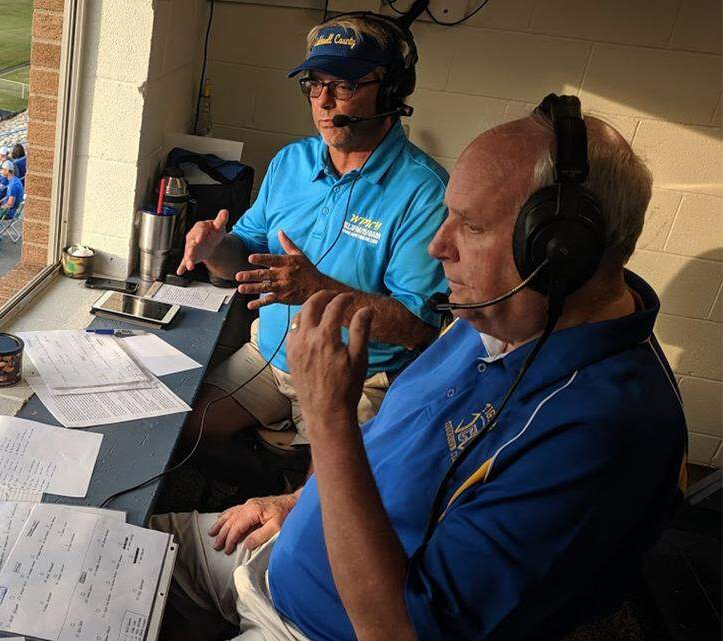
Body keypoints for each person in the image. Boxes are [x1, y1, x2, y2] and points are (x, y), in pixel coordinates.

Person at [154, 101, 688, 641]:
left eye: (471, 226)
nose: (438, 247)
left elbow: (398, 632)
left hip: (314, 628)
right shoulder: (494, 317)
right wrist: (295, 503)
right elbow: (382, 444)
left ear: (559, 251)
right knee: (107, 540)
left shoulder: (599, 435)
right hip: (280, 551)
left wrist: (329, 416)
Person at [176, 14, 448, 454]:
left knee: (326, 491)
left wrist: (317, 289)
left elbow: (417, 328)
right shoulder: (290, 162)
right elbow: (244, 260)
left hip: (358, 381)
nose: (323, 100)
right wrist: (215, 249)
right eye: (314, 84)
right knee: (183, 435)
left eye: (344, 85)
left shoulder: (425, 192)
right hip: (269, 358)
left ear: (392, 91)